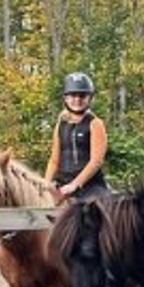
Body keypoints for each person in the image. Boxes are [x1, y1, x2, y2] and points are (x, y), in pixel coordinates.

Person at [44, 72, 112, 201]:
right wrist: (46, 184)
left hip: (90, 186)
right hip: (62, 182)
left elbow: (96, 161)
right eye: (73, 95)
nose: (77, 99)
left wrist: (75, 184)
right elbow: (54, 160)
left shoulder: (95, 124)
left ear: (89, 98)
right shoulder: (60, 125)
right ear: (65, 98)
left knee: (94, 208)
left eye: (82, 95)